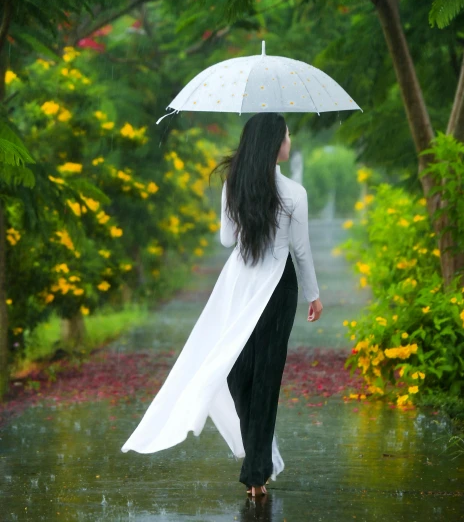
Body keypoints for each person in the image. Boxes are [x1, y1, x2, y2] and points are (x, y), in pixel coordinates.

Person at [121, 112, 323, 500]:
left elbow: (227, 240)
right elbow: (299, 249)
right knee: (254, 375)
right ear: (272, 144)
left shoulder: (238, 186)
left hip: (247, 285)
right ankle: (256, 461)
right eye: (286, 136)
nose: (290, 141)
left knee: (245, 375)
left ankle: (256, 470)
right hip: (275, 287)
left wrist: (311, 291)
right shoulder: (291, 194)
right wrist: (313, 294)